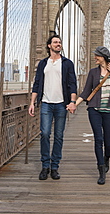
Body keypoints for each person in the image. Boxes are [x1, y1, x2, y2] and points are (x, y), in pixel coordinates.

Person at [67, 46, 110, 185]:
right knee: (98, 139)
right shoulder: (93, 73)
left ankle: (107, 158)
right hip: (95, 110)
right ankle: (101, 170)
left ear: (103, 57)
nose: (94, 58)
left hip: (109, 111)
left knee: (108, 143)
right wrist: (74, 104)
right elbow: (86, 92)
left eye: (97, 55)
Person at [29, 34, 77, 180]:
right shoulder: (43, 63)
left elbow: (72, 83)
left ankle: (54, 166)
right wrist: (32, 102)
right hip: (46, 103)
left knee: (58, 136)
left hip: (61, 104)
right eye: (55, 42)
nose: (58, 44)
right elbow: (37, 83)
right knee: (44, 134)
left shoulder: (67, 63)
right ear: (49, 45)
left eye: (60, 42)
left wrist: (73, 102)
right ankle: (45, 166)